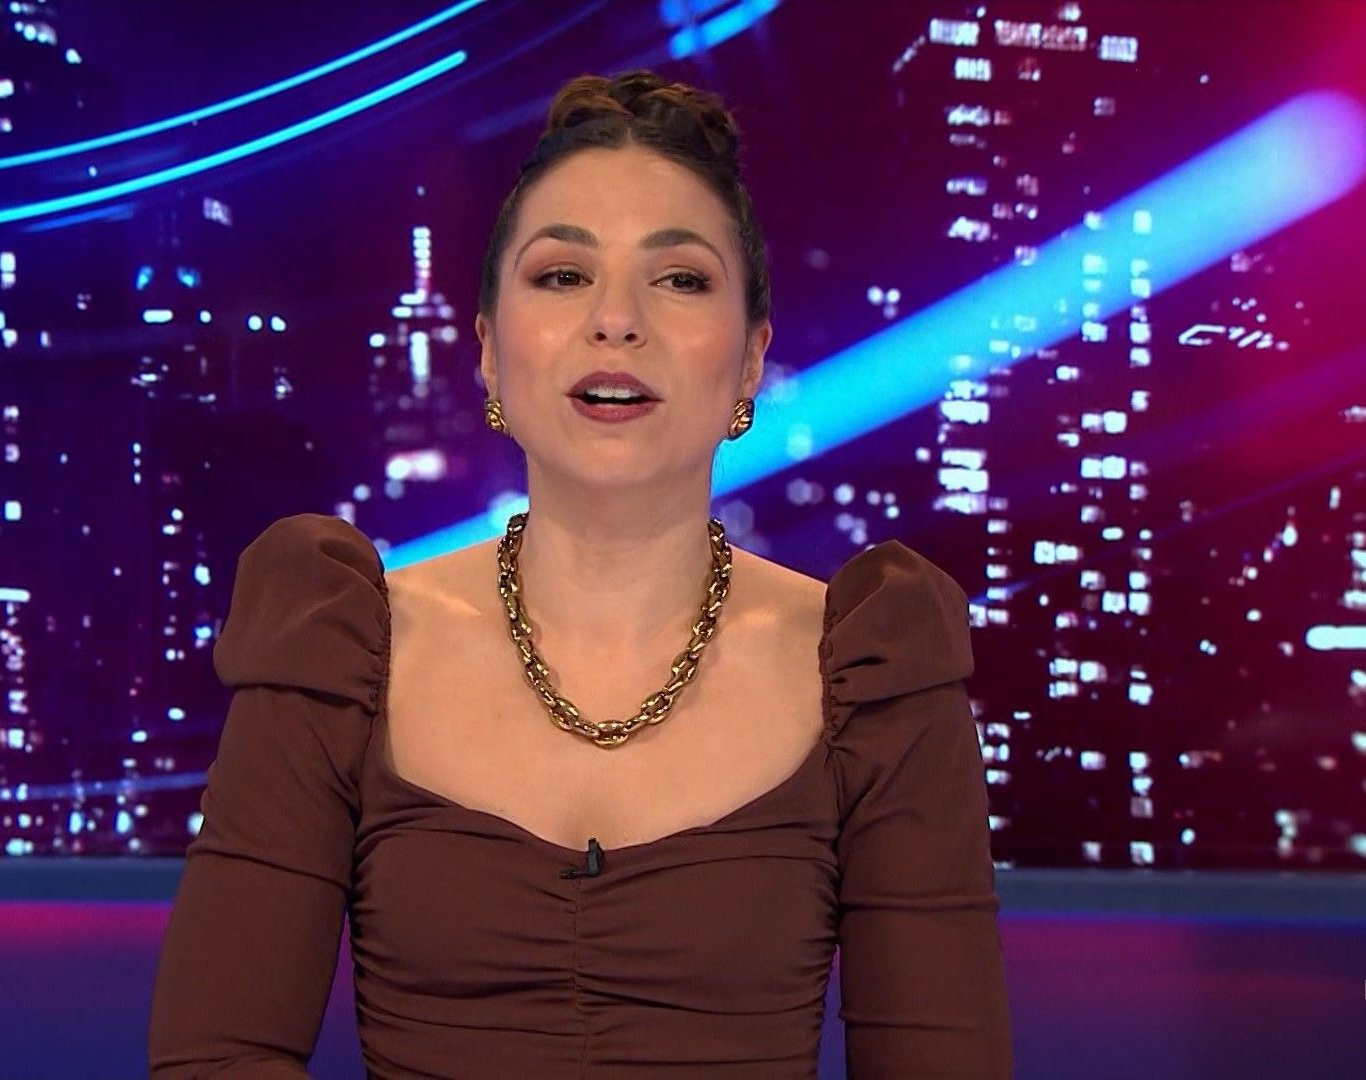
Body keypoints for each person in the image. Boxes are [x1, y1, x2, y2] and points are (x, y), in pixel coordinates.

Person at [150, 69, 1012, 1078]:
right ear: (487, 351)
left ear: (749, 361)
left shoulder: (875, 671)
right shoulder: (338, 648)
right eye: (562, 275)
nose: (616, 320)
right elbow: (219, 1057)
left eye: (679, 279)